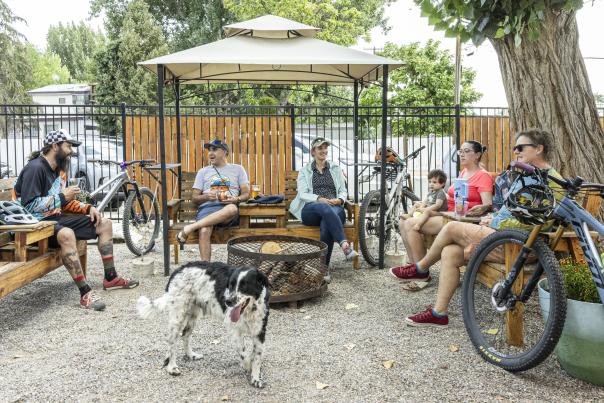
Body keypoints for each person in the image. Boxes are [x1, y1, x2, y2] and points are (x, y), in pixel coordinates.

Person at [391, 129, 561, 327]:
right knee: (450, 252)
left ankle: (421, 268)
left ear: (539, 149)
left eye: (521, 147)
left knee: (453, 227)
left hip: (517, 244)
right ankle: (439, 314)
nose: (516, 152)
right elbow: (512, 210)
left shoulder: (551, 181)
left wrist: (496, 222)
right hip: (501, 237)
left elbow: (542, 221)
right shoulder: (529, 176)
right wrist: (494, 217)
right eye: (515, 148)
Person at [13, 129, 139, 311]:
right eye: (68, 146)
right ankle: (85, 293)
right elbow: (28, 206)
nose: (72, 150)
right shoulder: (35, 168)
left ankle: (111, 278)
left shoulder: (59, 170)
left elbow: (63, 204)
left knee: (105, 224)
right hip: (34, 226)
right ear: (55, 146)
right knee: (67, 234)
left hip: (54, 220)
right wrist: (62, 197)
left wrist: (89, 208)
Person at [398, 140, 494, 263]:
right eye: (460, 151)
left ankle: (420, 271)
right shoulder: (464, 172)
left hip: (459, 218)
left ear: (477, 155)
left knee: (410, 224)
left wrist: (482, 207)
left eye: (467, 151)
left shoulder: (483, 176)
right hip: (446, 212)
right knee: (402, 221)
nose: (461, 154)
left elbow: (488, 205)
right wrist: (429, 202)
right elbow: (451, 196)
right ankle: (412, 263)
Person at [289, 138, 357, 279]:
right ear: (313, 151)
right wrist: (318, 199)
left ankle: (323, 269)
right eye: (320, 148)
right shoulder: (305, 171)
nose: (323, 151)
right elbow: (302, 194)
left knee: (326, 221)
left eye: (325, 148)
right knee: (323, 207)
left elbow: (343, 191)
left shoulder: (335, 168)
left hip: (335, 207)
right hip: (311, 209)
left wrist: (340, 199)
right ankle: (344, 244)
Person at [176, 139, 250, 261]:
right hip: (207, 208)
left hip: (227, 210)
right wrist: (206, 196)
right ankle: (207, 269)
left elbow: (246, 194)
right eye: (209, 150)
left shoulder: (238, 169)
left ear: (225, 152)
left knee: (232, 208)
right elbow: (194, 198)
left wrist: (236, 198)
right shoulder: (203, 172)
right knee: (204, 230)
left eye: (214, 149)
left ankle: (190, 228)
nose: (210, 153)